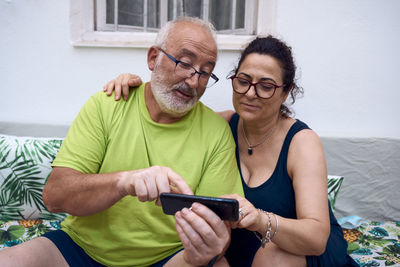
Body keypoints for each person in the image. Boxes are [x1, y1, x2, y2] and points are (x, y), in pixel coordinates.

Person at [0, 17, 244, 267]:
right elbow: (55, 196)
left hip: (168, 258)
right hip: (80, 247)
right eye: (184, 63)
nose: (193, 81)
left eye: (205, 72)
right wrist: (124, 182)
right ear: (153, 58)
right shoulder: (107, 105)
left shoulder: (216, 132)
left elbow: (220, 232)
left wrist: (207, 248)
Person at [104, 36, 358, 266]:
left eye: (266, 86)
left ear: (286, 92)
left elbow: (316, 238)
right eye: (243, 81)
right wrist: (139, 88)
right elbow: (169, 116)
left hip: (299, 252)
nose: (250, 93)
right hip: (243, 251)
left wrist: (259, 219)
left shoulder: (301, 142)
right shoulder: (221, 125)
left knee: (272, 259)